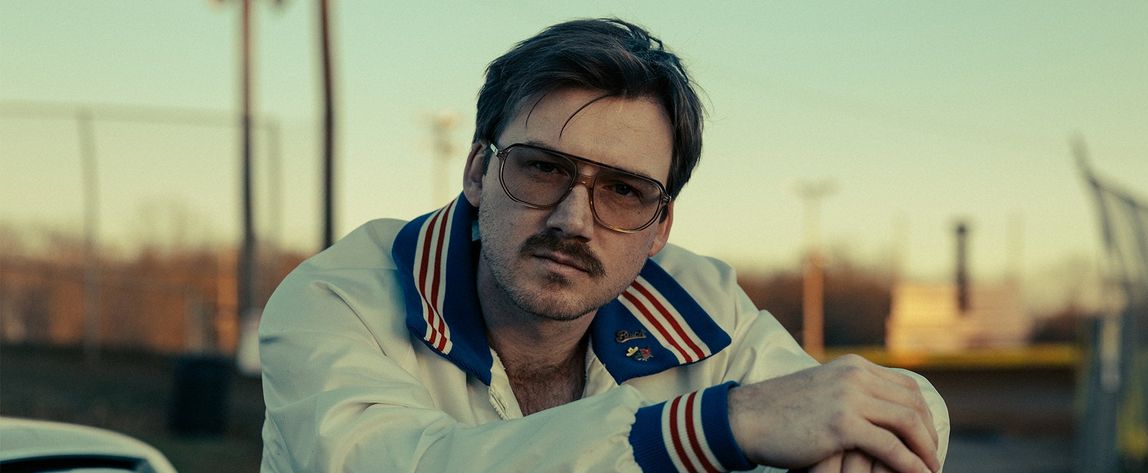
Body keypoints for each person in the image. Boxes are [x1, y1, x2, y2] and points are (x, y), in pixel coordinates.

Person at [259, 18, 949, 473]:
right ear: (476, 172)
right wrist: (709, 427)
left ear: (661, 227)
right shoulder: (339, 298)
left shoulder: (700, 304)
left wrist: (857, 444)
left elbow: (881, 405)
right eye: (542, 167)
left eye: (623, 190)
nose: (573, 220)